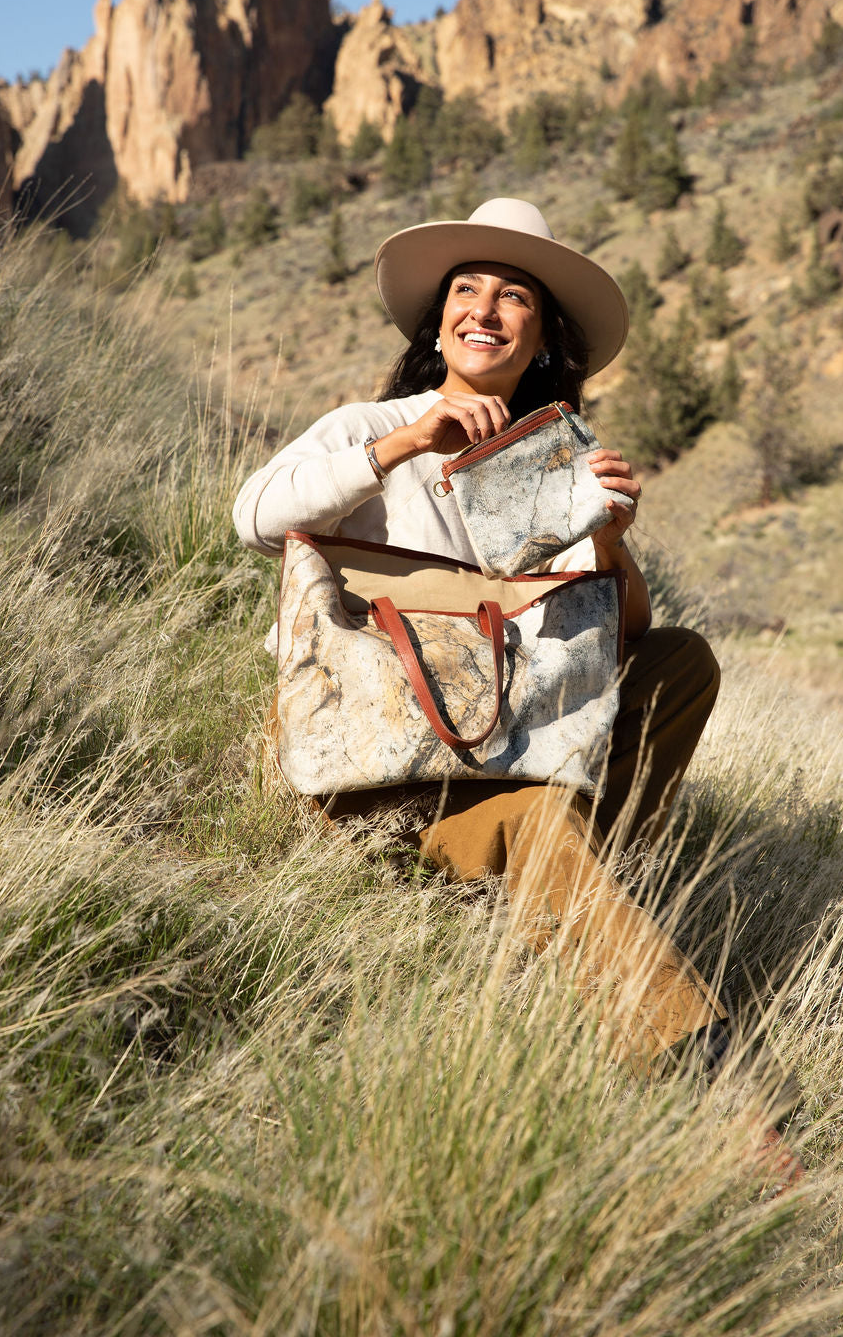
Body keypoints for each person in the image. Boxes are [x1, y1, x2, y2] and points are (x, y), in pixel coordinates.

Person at [234, 198, 729, 1078]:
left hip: (498, 744)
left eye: (514, 299)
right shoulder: (366, 429)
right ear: (440, 327)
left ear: (539, 342)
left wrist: (607, 543)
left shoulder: (555, 469)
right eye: (468, 290)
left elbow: (624, 638)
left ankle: (565, 889)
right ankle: (700, 1068)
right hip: (375, 763)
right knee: (539, 820)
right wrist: (401, 446)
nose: (486, 310)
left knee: (680, 661)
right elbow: (255, 516)